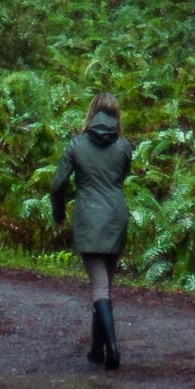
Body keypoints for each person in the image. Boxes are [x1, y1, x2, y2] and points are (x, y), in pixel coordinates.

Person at [51, 91, 133, 372]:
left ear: (91, 112)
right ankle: (98, 348)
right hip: (115, 217)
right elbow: (122, 176)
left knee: (99, 286)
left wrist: (59, 213)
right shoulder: (124, 146)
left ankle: (112, 348)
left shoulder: (76, 145)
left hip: (88, 218)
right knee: (106, 284)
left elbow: (57, 184)